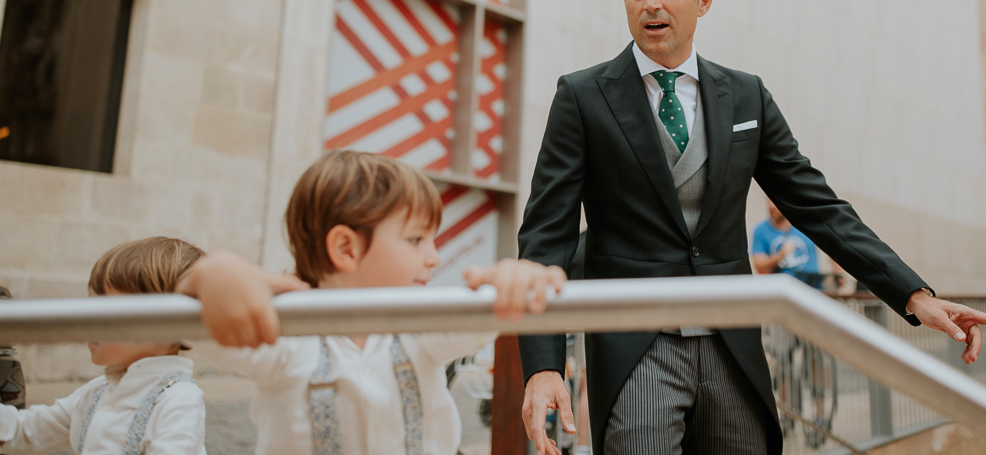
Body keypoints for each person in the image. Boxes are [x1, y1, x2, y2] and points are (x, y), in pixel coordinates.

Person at [516, 0, 986, 455]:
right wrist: (544, 365)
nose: (651, 3)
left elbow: (817, 206)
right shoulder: (582, 96)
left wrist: (914, 295)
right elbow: (546, 237)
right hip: (635, 342)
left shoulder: (746, 95)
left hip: (731, 341)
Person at [176, 149, 567, 455]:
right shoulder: (286, 336)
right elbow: (208, 333)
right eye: (416, 240)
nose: (433, 257)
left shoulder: (421, 330)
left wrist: (513, 279)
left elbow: (485, 316)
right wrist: (211, 275)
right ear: (346, 248)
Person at [0, 237, 208, 454]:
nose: (88, 321)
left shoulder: (177, 400)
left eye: (105, 311)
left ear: (166, 324)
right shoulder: (98, 391)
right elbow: (27, 431)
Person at [752, 201, 822, 288]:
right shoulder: (761, 230)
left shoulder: (807, 224)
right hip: (781, 293)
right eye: (769, 202)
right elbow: (760, 266)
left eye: (775, 201)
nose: (772, 206)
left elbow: (831, 242)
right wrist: (781, 254)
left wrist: (837, 274)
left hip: (812, 289)